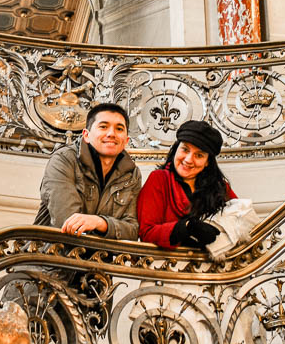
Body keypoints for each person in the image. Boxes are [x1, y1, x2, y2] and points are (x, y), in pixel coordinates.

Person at [35, 103, 141, 239]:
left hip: (101, 259)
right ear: (86, 135)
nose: (111, 134)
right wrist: (112, 230)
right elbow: (67, 222)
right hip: (48, 255)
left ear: (126, 140)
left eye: (119, 129)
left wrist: (100, 223)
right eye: (103, 126)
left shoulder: (132, 174)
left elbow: (132, 232)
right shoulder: (64, 160)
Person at [137, 119, 236, 250]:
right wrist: (187, 228)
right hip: (167, 266)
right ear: (176, 148)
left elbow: (239, 220)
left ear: (207, 162)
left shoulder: (221, 187)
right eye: (185, 149)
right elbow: (146, 233)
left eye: (199, 155)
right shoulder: (159, 179)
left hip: (214, 266)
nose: (189, 160)